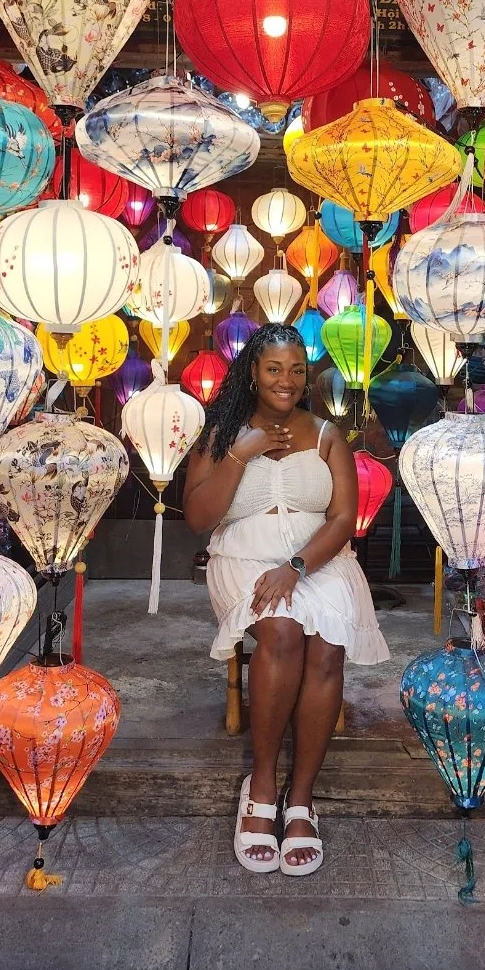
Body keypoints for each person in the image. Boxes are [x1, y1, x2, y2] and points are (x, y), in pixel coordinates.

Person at [183, 324, 389, 876]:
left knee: (326, 643)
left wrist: (297, 566)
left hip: (317, 560)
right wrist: (240, 456)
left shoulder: (326, 435)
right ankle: (263, 783)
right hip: (242, 558)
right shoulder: (221, 434)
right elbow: (199, 519)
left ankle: (301, 800)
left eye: (297, 370)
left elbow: (344, 519)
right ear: (253, 371)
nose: (287, 381)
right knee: (281, 630)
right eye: (275, 369)